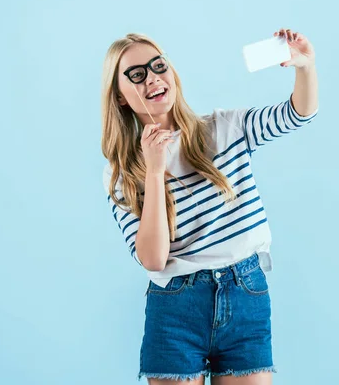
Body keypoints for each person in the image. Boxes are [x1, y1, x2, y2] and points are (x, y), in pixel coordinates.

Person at [101, 28, 319, 385]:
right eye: (136, 75)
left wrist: (305, 68)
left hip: (245, 295)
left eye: (158, 66)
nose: (152, 78)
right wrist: (155, 170)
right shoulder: (124, 172)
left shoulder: (225, 128)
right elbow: (153, 260)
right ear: (121, 97)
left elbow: (298, 113)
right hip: (175, 309)